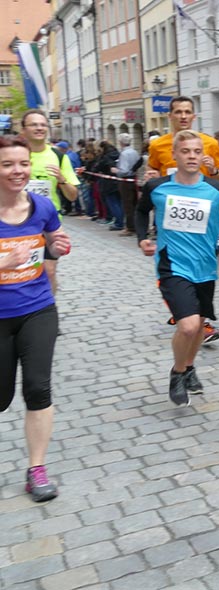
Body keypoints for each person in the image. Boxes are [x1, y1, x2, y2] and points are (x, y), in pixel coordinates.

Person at [135, 130, 219, 406]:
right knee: (188, 325)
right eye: (185, 151)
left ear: (203, 155)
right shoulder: (157, 187)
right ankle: (178, 373)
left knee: (199, 325)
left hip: (205, 267)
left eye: (196, 151)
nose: (192, 156)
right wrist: (142, 238)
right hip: (172, 266)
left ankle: (190, 367)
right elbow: (140, 211)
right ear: (174, 155)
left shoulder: (216, 189)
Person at [0, 135, 72, 501]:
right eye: (7, 164)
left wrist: (57, 246)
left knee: (38, 388)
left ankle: (37, 470)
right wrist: (3, 262)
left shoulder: (41, 206)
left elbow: (53, 239)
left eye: (23, 164)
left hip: (37, 308)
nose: (18, 171)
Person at [146, 97, 219, 344]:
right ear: (170, 115)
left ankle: (191, 317)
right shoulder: (158, 145)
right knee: (175, 273)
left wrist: (213, 170)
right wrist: (150, 177)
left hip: (202, 220)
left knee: (199, 273)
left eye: (187, 112)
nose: (183, 116)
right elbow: (152, 172)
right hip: (172, 219)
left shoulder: (209, 143)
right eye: (178, 112)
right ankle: (186, 316)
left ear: (193, 116)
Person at [22, 110, 79, 297]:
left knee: (49, 271)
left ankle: (48, 308)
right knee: (20, 271)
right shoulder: (15, 154)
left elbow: (73, 196)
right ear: (23, 129)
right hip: (18, 222)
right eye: (34, 124)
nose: (39, 128)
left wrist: (62, 179)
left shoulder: (59, 156)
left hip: (48, 223)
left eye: (43, 125)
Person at [112, 133, 140, 237]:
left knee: (127, 204)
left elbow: (124, 170)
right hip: (133, 179)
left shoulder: (124, 154)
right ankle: (136, 225)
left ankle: (130, 227)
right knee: (134, 203)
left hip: (125, 180)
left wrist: (116, 171)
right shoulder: (134, 152)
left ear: (120, 142)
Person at [93, 141, 123, 231]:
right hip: (119, 181)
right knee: (119, 203)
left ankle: (119, 223)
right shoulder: (118, 154)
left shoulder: (105, 157)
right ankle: (121, 221)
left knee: (113, 203)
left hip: (108, 183)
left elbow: (96, 168)